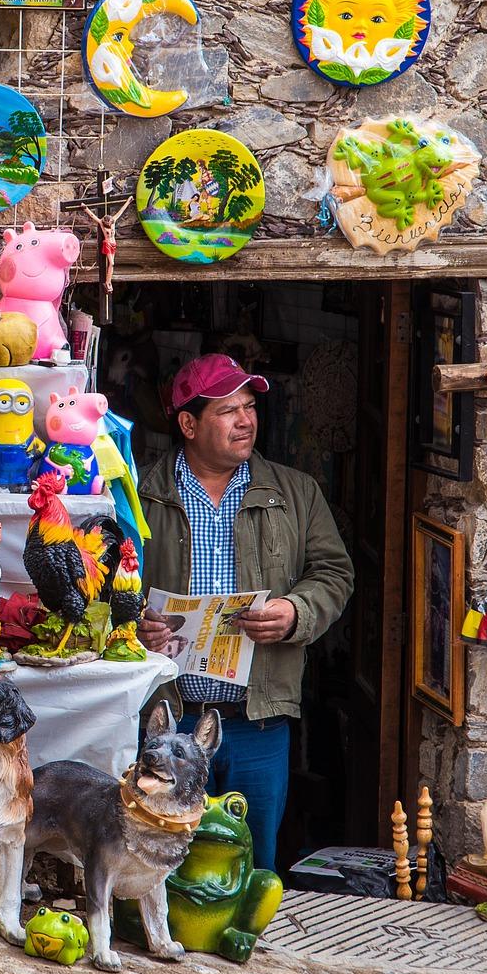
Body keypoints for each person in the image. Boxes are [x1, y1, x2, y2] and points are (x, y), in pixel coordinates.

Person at [136, 353, 353, 872]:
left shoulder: (295, 493)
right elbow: (103, 586)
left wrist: (295, 611)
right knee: (160, 859)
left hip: (256, 723)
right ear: (188, 424)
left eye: (250, 407)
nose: (245, 420)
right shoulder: (140, 495)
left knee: (251, 862)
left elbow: (334, 573)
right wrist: (133, 628)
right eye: (227, 410)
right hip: (169, 719)